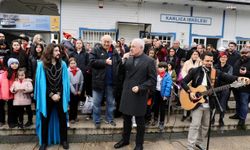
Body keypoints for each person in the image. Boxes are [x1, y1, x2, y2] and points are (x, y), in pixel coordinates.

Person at [181, 52, 249, 150]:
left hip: (210, 103)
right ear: (202, 60)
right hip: (196, 103)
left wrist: (239, 78)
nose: (209, 63)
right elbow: (183, 82)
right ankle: (190, 146)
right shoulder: (195, 71)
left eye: (211, 61)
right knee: (195, 125)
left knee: (205, 126)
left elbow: (228, 77)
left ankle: (199, 143)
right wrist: (190, 91)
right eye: (207, 61)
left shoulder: (215, 72)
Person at [114, 38, 156, 150]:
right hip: (127, 93)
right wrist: (123, 60)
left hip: (139, 95)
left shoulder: (149, 61)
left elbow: (152, 81)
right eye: (131, 46)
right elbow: (119, 74)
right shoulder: (128, 58)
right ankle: (125, 140)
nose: (130, 48)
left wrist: (141, 87)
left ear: (141, 48)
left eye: (133, 46)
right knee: (126, 120)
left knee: (140, 122)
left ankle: (139, 144)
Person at [34, 44, 70, 150]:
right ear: (50, 52)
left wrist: (58, 94)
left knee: (63, 119)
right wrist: (51, 95)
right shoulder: (41, 65)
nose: (59, 52)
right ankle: (44, 142)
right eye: (56, 51)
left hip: (60, 96)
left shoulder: (62, 64)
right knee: (45, 119)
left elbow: (64, 83)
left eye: (59, 50)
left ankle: (64, 140)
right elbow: (41, 84)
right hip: (47, 97)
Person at [89, 35, 121, 128]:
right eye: (105, 41)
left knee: (111, 103)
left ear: (111, 42)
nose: (107, 43)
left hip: (111, 82)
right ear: (101, 41)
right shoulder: (96, 50)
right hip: (98, 82)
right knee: (96, 103)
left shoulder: (115, 52)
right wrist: (104, 62)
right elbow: (91, 62)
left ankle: (109, 119)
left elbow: (119, 64)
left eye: (108, 42)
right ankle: (97, 120)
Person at [213, 52, 233, 126]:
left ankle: (221, 119)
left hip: (225, 88)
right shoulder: (215, 66)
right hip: (215, 87)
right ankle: (212, 118)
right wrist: (223, 76)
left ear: (227, 58)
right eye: (221, 57)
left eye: (224, 57)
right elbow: (213, 77)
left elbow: (229, 77)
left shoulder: (229, 67)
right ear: (219, 58)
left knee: (223, 103)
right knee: (214, 104)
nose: (223, 58)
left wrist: (220, 76)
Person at [152, 62, 172, 131]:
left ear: (165, 68)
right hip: (156, 92)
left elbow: (168, 86)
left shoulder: (167, 76)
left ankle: (161, 122)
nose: (159, 69)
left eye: (161, 67)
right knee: (155, 106)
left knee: (162, 108)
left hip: (163, 94)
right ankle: (155, 119)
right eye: (159, 67)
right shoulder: (157, 75)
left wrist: (166, 95)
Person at [0, 58, 19, 128]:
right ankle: (3, 121)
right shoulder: (6, 73)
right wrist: (6, 96)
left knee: (12, 108)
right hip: (5, 93)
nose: (15, 65)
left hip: (12, 93)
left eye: (16, 63)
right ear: (9, 65)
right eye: (12, 63)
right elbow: (4, 85)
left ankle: (12, 121)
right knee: (3, 108)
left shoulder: (17, 72)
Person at [68, 57, 84, 124]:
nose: (73, 64)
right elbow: (68, 82)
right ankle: (71, 117)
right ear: (69, 64)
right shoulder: (67, 71)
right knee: (71, 104)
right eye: (71, 63)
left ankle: (75, 116)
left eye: (74, 63)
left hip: (78, 89)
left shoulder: (79, 71)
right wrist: (73, 91)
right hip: (71, 90)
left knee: (76, 104)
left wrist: (80, 90)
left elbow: (82, 81)